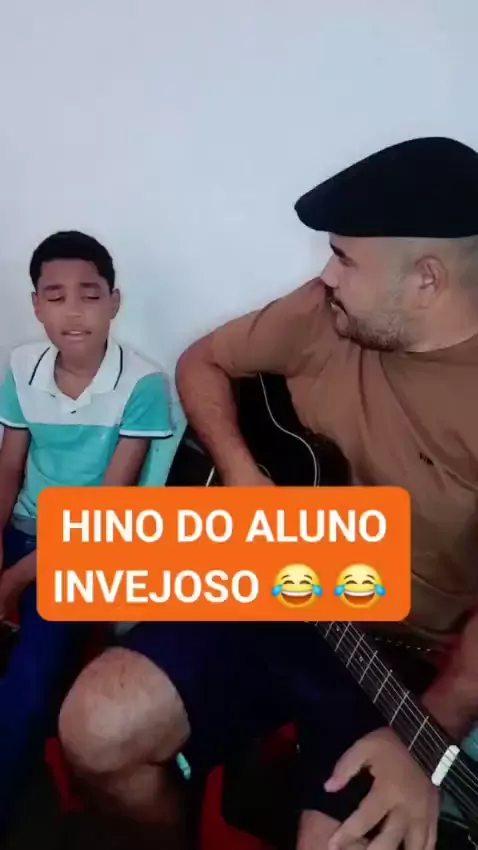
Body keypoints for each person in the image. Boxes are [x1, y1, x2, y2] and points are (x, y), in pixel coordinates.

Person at [59, 137, 478, 850]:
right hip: (268, 585)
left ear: (427, 281)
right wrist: (243, 475)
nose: (326, 274)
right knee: (93, 725)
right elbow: (202, 362)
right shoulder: (324, 313)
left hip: (392, 654)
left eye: (344, 258)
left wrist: (428, 738)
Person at [0, 231, 173, 841]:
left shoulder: (143, 386)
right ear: (36, 305)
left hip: (88, 545)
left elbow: (106, 510)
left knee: (30, 675)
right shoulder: (21, 367)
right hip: (24, 531)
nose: (73, 312)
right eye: (56, 296)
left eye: (89, 295)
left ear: (114, 302)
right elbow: (8, 468)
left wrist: (14, 580)